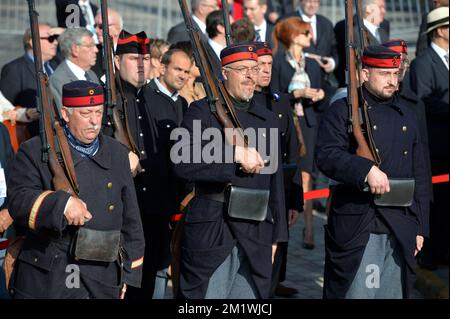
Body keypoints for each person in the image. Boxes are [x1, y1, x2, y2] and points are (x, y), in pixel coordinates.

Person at [7, 80, 145, 299]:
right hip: (51, 274)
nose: (93, 121)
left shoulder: (117, 153)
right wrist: (61, 204)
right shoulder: (35, 151)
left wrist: (127, 275)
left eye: (98, 112)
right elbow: (18, 202)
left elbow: (131, 221)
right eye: (85, 113)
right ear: (65, 113)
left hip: (103, 276)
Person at [173, 43, 288, 299]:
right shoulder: (202, 111)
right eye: (242, 69)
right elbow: (182, 160)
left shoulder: (267, 118)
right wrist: (234, 154)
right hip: (214, 228)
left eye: (254, 69)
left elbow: (276, 184)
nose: (250, 75)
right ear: (225, 73)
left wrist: (277, 237)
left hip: (257, 232)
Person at [316, 45, 430, 299]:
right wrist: (365, 169)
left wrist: (421, 226)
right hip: (360, 222)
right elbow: (326, 155)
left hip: (401, 224)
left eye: (395, 74)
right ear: (365, 75)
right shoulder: (343, 110)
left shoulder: (407, 114)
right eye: (384, 74)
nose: (393, 81)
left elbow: (420, 173)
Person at [127, 48, 191, 299]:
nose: (183, 76)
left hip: (170, 199)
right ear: (162, 68)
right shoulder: (141, 98)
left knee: (161, 265)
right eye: (178, 69)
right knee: (143, 269)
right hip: (145, 197)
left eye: (187, 71)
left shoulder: (182, 103)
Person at [253, 41, 303, 297]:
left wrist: (296, 200)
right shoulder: (241, 102)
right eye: (260, 65)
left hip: (279, 189)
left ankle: (271, 291)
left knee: (279, 245)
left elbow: (291, 153)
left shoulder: (280, 101)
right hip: (251, 186)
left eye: (269, 65)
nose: (265, 70)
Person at [271, 17, 325, 250]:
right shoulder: (278, 62)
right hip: (289, 123)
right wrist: (297, 94)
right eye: (305, 33)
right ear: (294, 36)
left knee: (308, 176)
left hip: (309, 123)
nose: (310, 38)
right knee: (294, 174)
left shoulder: (312, 63)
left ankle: (309, 229)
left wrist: (320, 94)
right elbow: (275, 95)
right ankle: (289, 223)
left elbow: (324, 87)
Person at [408, 6, 449, 269]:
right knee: (437, 203)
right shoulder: (423, 63)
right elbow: (422, 102)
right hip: (436, 145)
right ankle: (432, 253)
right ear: (442, 31)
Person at [0, 23, 60, 137]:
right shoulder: (14, 69)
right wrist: (27, 113)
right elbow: (6, 108)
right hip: (30, 138)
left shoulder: (55, 65)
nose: (56, 42)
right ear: (32, 42)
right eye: (50, 38)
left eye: (56, 38)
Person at [50, 27, 99, 109]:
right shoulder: (59, 80)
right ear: (75, 49)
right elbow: (65, 115)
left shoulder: (91, 74)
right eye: (90, 46)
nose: (96, 50)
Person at [91, 8, 123, 79]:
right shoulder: (90, 53)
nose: (96, 30)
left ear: (117, 29)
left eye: (101, 26)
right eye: (95, 26)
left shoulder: (131, 52)